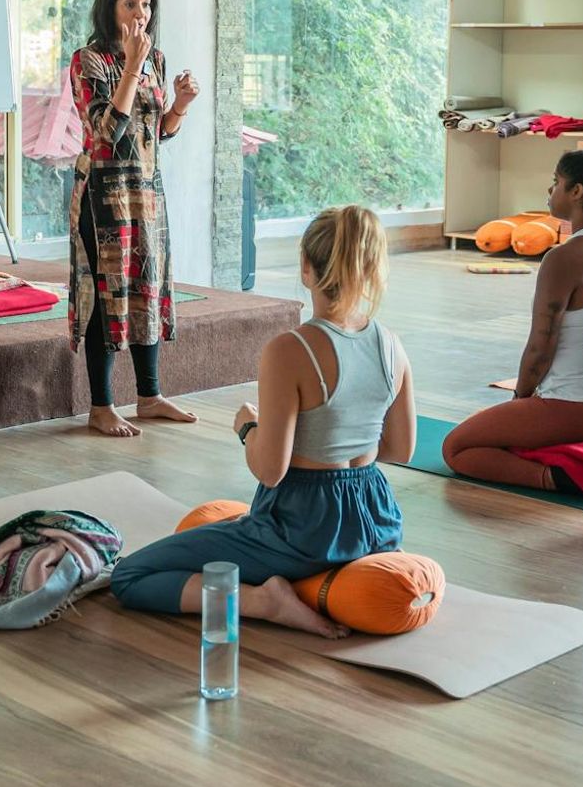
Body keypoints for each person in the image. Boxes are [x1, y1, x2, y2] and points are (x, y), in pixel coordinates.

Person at [108, 206, 414, 638]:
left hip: (303, 531)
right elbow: (400, 450)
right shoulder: (391, 345)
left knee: (130, 576)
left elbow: (271, 471)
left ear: (306, 267)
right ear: (370, 268)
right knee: (226, 527)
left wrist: (248, 428)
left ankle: (263, 602)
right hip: (377, 523)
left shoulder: (292, 349)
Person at [442, 150, 583, 489]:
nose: (550, 191)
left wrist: (521, 399)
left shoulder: (566, 256)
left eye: (556, 182)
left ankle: (557, 480)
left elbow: (541, 345)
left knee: (456, 448)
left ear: (577, 191)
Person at [68, 0, 204, 437]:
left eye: (146, 4)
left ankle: (149, 396)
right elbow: (107, 130)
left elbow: (157, 132)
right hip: (104, 195)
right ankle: (101, 406)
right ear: (109, 8)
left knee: (149, 287)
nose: (140, 13)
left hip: (146, 193)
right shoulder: (89, 60)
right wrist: (129, 67)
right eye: (130, 3)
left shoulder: (156, 60)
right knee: (106, 296)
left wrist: (180, 104)